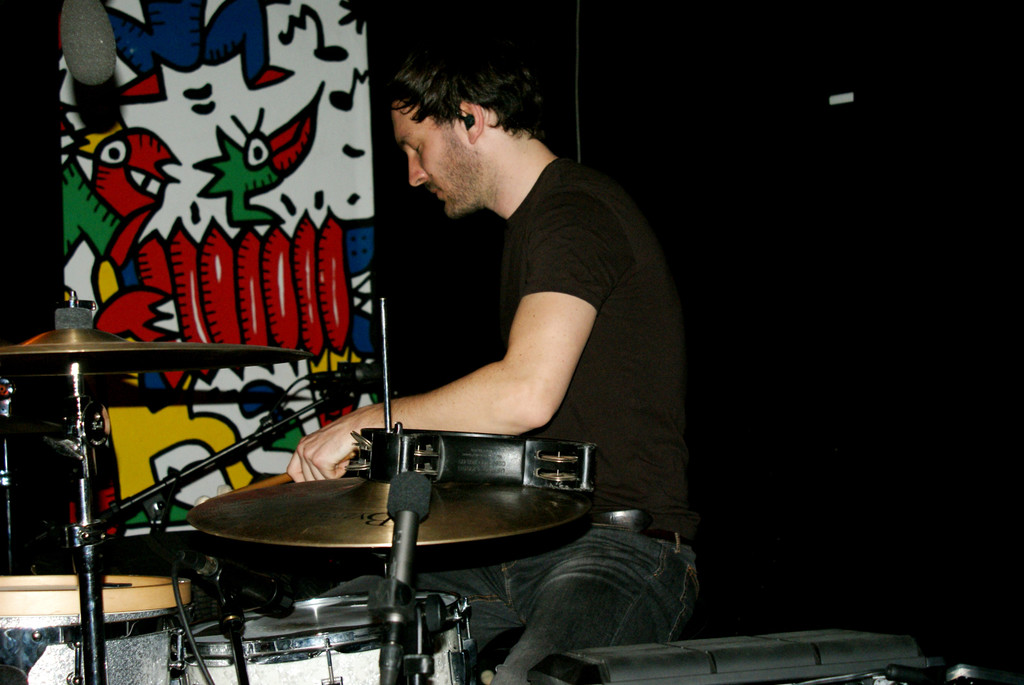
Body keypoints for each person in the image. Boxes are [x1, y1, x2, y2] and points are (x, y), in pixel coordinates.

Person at [288, 38, 700, 684]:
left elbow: (525, 394)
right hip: (525, 542)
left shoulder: (575, 211)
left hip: (622, 546)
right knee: (327, 644)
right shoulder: (532, 226)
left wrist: (372, 422)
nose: (413, 174)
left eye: (416, 147)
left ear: (472, 119)